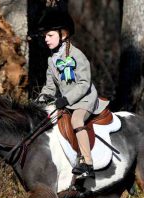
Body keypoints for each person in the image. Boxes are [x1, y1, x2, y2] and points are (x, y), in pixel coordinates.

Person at [37, 8, 108, 178]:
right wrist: (40, 100)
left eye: (50, 35)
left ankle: (87, 163)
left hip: (84, 100)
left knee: (76, 119)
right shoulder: (51, 60)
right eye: (44, 36)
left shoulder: (77, 55)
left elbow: (84, 84)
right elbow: (49, 87)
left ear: (63, 34)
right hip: (66, 101)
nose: (46, 39)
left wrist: (66, 99)